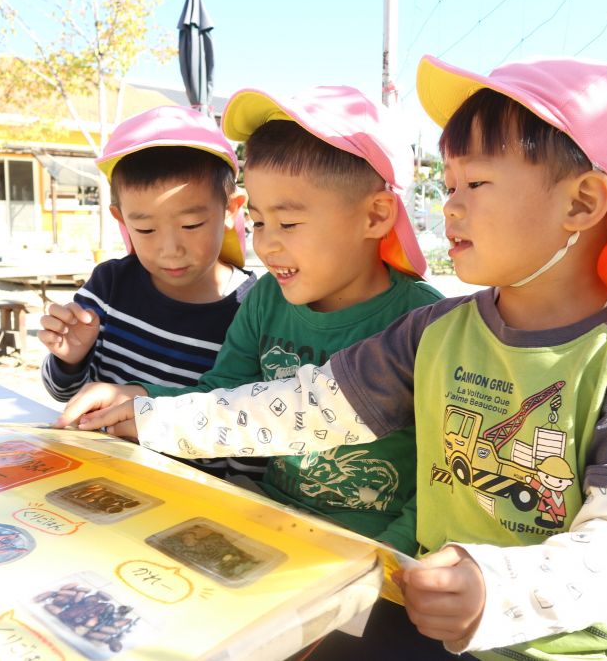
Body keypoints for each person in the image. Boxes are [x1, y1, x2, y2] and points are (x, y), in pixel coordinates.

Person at [71, 57, 607, 659]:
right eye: (449, 184)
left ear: (582, 203)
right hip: (429, 615)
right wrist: (152, 415)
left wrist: (496, 587)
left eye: (475, 183)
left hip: (563, 648)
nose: (449, 205)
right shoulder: (436, 331)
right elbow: (302, 408)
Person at [57, 85, 443, 548]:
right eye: (259, 222)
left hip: (367, 549)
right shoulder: (266, 301)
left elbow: (441, 477)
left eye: (289, 223)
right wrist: (138, 399)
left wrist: (391, 562)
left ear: (376, 216)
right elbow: (223, 395)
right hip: (261, 519)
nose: (266, 244)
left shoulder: (427, 323)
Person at [39, 105, 258, 477]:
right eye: (145, 230)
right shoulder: (110, 285)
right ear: (121, 219)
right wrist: (70, 360)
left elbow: (248, 439)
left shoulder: (253, 310)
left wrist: (154, 428)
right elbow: (65, 395)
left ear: (231, 209)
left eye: (191, 224)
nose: (169, 249)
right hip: (98, 473)